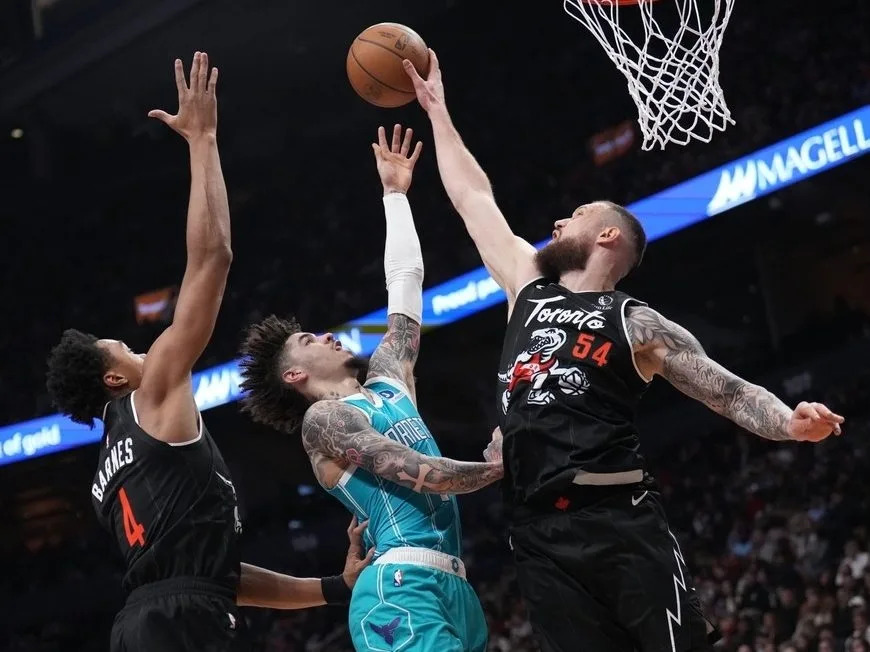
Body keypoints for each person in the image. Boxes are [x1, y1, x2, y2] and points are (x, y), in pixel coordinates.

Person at [402, 51, 846, 652]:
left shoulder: (637, 323)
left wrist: (789, 422)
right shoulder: (526, 285)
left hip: (619, 517)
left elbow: (728, 390)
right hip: (536, 531)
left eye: (578, 214)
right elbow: (473, 197)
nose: (560, 219)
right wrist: (438, 111)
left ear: (607, 236)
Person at [45, 52, 370, 652]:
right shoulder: (152, 390)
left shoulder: (108, 475)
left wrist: (333, 587)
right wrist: (204, 141)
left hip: (149, 624)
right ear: (115, 379)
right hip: (177, 627)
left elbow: (215, 579)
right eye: (126, 348)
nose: (143, 348)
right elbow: (212, 259)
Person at [238, 124, 500, 652]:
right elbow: (421, 474)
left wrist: (395, 195)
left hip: (455, 585)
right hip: (398, 586)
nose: (329, 334)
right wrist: (497, 469)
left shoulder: (388, 378)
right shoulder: (326, 422)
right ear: (295, 376)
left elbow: (405, 285)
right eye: (309, 339)